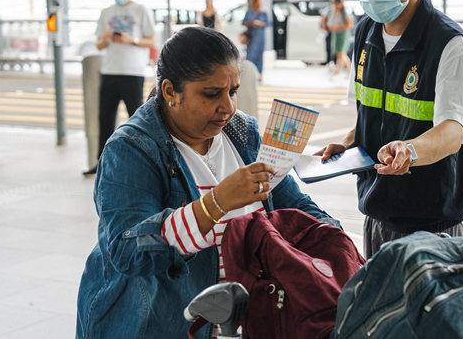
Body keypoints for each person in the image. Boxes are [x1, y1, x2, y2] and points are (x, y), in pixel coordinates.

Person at [76, 27, 339, 339]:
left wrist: (337, 243)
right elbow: (128, 250)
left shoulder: (243, 132)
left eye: (232, 91)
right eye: (212, 94)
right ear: (171, 91)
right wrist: (217, 203)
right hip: (160, 324)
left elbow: (292, 204)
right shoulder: (133, 148)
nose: (227, 107)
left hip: (244, 321)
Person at [316, 0, 463, 258]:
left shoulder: (448, 44)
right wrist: (348, 142)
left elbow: (453, 132)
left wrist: (410, 150)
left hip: (431, 225)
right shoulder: (366, 32)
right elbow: (374, 113)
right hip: (378, 210)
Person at [83, 0, 156, 177]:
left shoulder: (140, 10)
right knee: (105, 118)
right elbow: (98, 45)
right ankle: (102, 164)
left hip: (133, 72)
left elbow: (152, 40)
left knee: (137, 119)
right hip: (109, 71)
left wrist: (130, 40)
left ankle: (142, 163)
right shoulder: (106, 12)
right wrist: (106, 39)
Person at [322, 0, 354, 77]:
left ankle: (338, 72)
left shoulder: (346, 12)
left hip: (343, 34)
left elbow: (349, 25)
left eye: (336, 4)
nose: (335, 6)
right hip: (335, 34)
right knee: (339, 54)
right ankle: (349, 71)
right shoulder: (333, 12)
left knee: (342, 53)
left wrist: (337, 27)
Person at [242, 0, 269, 81]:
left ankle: (259, 73)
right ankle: (248, 73)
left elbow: (268, 23)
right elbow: (244, 22)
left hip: (261, 37)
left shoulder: (263, 13)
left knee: (260, 56)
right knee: (250, 55)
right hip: (252, 37)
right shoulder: (249, 12)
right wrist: (252, 22)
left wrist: (260, 24)